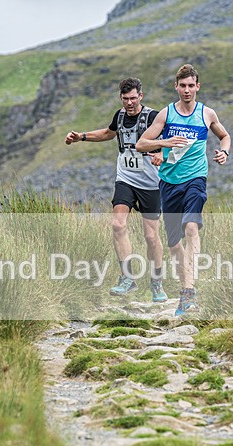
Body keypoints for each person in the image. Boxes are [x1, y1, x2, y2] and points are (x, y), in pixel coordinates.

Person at [136, 64, 231, 316]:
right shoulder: (166, 114)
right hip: (168, 182)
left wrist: (224, 151)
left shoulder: (207, 113)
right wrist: (164, 142)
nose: (187, 90)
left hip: (196, 179)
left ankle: (189, 291)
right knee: (174, 244)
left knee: (192, 227)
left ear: (197, 87)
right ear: (176, 87)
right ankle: (185, 287)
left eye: (191, 86)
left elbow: (225, 136)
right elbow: (141, 144)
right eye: (183, 86)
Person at [65, 78, 167, 302]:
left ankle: (157, 283)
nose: (129, 103)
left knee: (151, 236)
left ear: (141, 96)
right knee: (118, 224)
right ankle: (127, 278)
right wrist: (81, 137)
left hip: (150, 183)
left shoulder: (153, 117)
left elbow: (171, 141)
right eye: (125, 99)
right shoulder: (119, 116)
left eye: (133, 98)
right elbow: (108, 133)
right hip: (126, 178)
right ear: (120, 98)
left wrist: (162, 155)